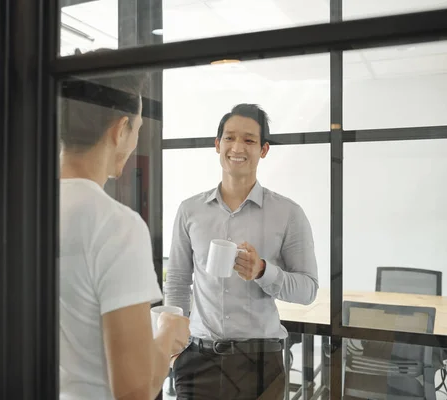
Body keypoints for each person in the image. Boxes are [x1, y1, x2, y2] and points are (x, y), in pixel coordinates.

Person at [164, 104, 319, 399]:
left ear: (263, 150)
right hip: (197, 360)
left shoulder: (288, 213)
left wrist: (262, 271)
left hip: (261, 362)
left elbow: (308, 290)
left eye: (249, 140)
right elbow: (178, 282)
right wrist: (176, 350)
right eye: (229, 138)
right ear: (217, 144)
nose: (237, 147)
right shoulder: (190, 210)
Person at [58, 64, 191, 400]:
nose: (135, 142)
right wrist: (167, 336)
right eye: (137, 130)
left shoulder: (26, 207)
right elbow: (133, 392)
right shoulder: (116, 225)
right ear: (120, 130)